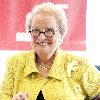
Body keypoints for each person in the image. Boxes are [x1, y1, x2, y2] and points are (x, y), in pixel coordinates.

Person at [0, 2, 100, 100]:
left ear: (61, 33)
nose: (42, 37)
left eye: (49, 31)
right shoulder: (15, 64)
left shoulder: (80, 65)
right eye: (36, 30)